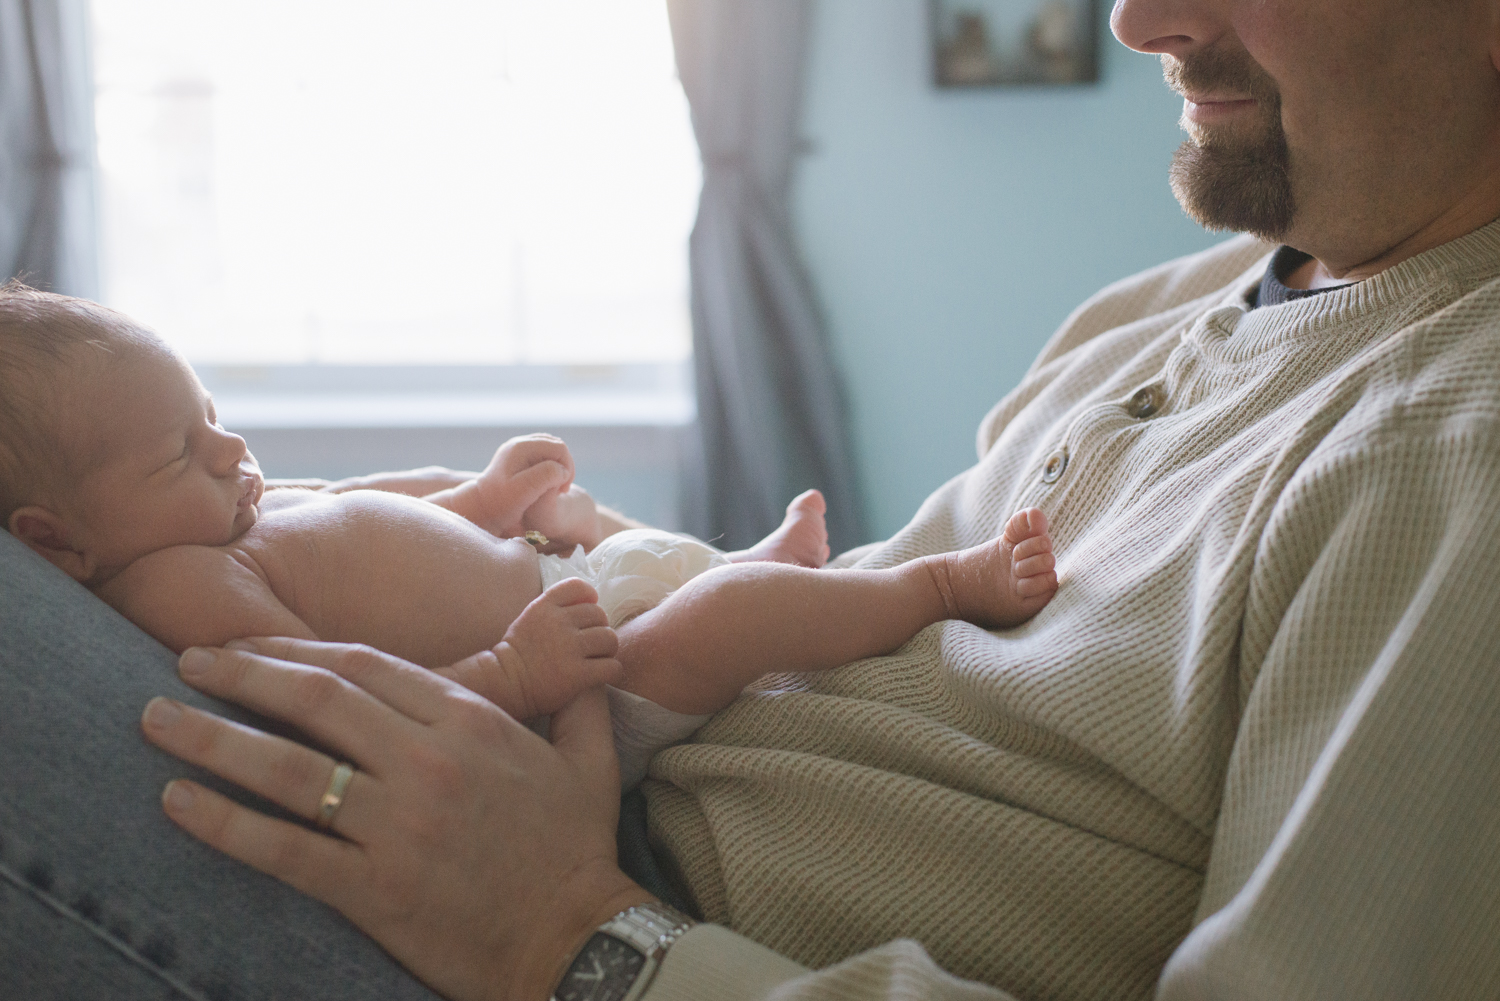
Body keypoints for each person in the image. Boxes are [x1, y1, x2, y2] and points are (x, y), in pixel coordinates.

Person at [3, 0, 1499, 998]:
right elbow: (885, 676)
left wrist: (573, 934)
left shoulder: (1460, 451)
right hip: (590, 814)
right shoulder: (1162, 310)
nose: (1137, 16)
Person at [0, 288, 1058, 787]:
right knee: (725, 622)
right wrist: (514, 671)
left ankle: (744, 561)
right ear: (56, 542)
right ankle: (942, 585)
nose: (231, 453)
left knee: (662, 555)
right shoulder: (179, 589)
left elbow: (373, 513)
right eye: (179, 453)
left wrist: (480, 495)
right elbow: (346, 708)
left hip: (573, 584)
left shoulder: (229, 514)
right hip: (579, 688)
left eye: (214, 415)